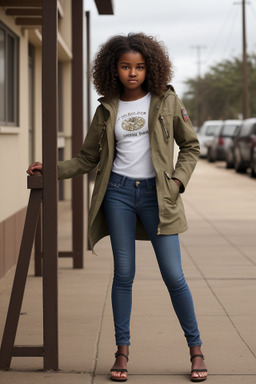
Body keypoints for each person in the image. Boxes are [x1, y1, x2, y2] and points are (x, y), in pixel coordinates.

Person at [27, 33, 207, 382]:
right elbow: (87, 158)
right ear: (114, 69)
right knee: (123, 276)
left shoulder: (167, 100)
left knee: (174, 275)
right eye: (126, 67)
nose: (133, 73)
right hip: (118, 195)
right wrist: (51, 168)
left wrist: (177, 182)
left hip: (159, 197)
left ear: (150, 67)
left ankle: (196, 349)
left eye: (139, 67)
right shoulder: (107, 108)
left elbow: (191, 145)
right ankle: (121, 352)